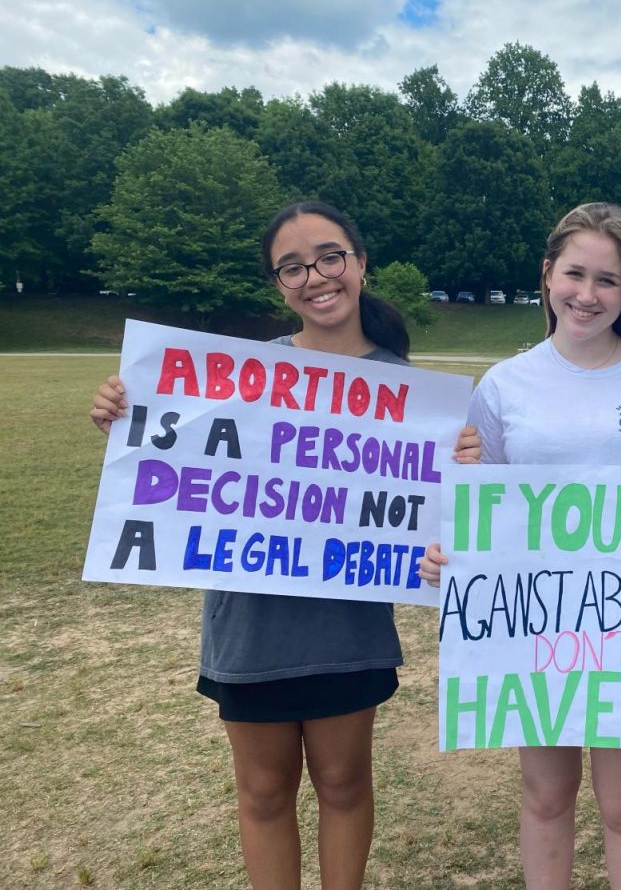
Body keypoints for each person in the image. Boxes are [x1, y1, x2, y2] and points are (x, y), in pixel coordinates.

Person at [89, 200, 480, 890]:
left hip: (347, 627)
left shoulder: (413, 392)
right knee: (264, 793)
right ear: (277, 284)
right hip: (250, 624)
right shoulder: (235, 375)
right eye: (291, 267)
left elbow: (443, 528)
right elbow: (176, 460)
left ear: (359, 263)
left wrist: (463, 474)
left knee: (343, 785)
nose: (314, 277)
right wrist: (127, 418)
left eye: (329, 256)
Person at [419, 202, 621, 890]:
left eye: (608, 281)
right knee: (546, 798)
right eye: (575, 274)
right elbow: (480, 511)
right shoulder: (502, 385)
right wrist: (449, 558)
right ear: (548, 274)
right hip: (535, 628)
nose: (588, 295)